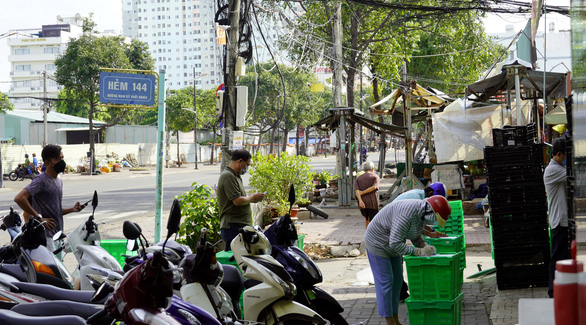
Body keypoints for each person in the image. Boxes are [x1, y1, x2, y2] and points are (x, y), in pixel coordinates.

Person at [365, 196, 451, 325]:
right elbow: (395, 243)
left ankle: (396, 320)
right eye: (436, 218)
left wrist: (424, 246)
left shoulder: (421, 214)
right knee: (386, 282)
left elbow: (415, 236)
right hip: (377, 243)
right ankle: (390, 321)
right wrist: (418, 252)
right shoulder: (406, 215)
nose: (435, 222)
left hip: (393, 243)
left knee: (398, 281)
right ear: (431, 211)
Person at [14, 144, 84, 253]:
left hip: (57, 235)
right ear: (47, 163)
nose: (62, 161)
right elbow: (19, 198)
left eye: (62, 158)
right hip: (46, 237)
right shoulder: (41, 180)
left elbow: (54, 210)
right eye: (58, 159)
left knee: (58, 267)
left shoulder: (58, 181)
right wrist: (39, 218)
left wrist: (72, 210)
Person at [217, 149, 265, 251]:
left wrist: (251, 199)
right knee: (235, 260)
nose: (246, 168)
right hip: (233, 226)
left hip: (240, 225)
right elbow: (237, 201)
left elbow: (241, 198)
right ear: (239, 161)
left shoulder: (235, 176)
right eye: (246, 165)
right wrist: (252, 198)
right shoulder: (228, 176)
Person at [544, 138, 569, 298]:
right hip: (559, 219)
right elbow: (574, 173)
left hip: (561, 219)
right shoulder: (553, 170)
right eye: (565, 155)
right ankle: (552, 290)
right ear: (558, 154)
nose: (566, 158)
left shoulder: (557, 168)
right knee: (557, 256)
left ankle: (561, 288)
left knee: (563, 256)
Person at [354, 161, 380, 228]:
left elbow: (357, 191)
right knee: (373, 221)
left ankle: (367, 235)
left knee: (366, 219)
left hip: (363, 203)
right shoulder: (375, 177)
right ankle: (372, 236)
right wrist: (363, 192)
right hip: (372, 202)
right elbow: (374, 187)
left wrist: (360, 201)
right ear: (372, 169)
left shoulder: (358, 178)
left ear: (363, 169)